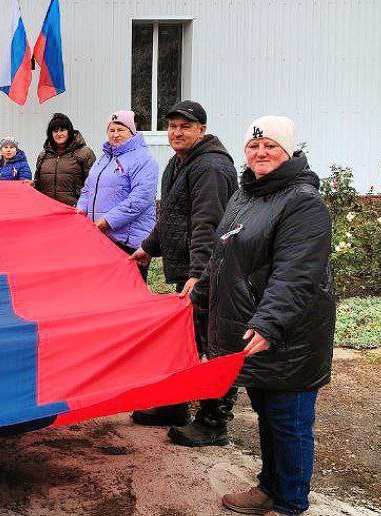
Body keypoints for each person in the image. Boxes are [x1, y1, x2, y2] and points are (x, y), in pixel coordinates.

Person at [191, 117, 334, 516]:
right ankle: (270, 487)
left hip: (289, 336)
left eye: (270, 145)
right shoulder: (245, 195)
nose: (261, 153)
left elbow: (297, 272)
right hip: (253, 333)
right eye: (254, 146)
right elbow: (222, 257)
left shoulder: (303, 202)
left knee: (289, 422)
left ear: (288, 151)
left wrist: (269, 322)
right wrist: (199, 295)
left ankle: (291, 510)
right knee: (268, 416)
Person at [128, 100, 238, 445]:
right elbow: (173, 216)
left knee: (213, 344)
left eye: (185, 127)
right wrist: (149, 246)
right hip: (189, 270)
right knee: (182, 340)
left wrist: (198, 274)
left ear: (201, 131)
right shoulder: (180, 162)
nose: (176, 133)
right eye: (172, 126)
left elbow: (209, 223)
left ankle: (213, 422)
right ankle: (174, 405)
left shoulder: (211, 167)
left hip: (210, 275)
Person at [76, 110, 157, 281]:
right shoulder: (103, 159)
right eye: (111, 130)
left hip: (127, 240)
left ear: (132, 131)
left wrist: (108, 221)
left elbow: (140, 198)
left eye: (121, 130)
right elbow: (88, 188)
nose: (115, 134)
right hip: (102, 237)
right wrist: (81, 209)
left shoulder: (143, 159)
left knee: (129, 288)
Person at [33, 113, 96, 206]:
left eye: (62, 130)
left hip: (74, 209)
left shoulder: (85, 153)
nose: (59, 134)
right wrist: (30, 185)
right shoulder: (43, 155)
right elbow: (37, 183)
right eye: (55, 131)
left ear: (69, 131)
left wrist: (83, 205)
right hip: (47, 209)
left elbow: (93, 184)